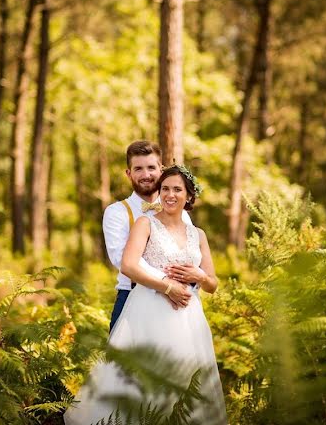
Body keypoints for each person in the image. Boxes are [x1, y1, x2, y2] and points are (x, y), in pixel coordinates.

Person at [64, 164, 228, 425]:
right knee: (144, 378)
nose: (170, 194)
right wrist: (168, 287)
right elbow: (128, 265)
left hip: (189, 317)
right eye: (165, 189)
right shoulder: (146, 223)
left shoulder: (198, 234)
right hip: (150, 310)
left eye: (177, 189)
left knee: (186, 380)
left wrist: (201, 277)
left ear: (189, 195)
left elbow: (213, 283)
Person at [101, 140, 193, 331]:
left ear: (161, 169)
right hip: (132, 297)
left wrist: (190, 283)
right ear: (129, 173)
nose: (146, 175)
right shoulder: (116, 212)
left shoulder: (180, 210)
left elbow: (190, 252)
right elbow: (121, 259)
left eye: (151, 167)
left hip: (177, 302)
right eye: (138, 169)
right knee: (127, 361)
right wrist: (166, 284)